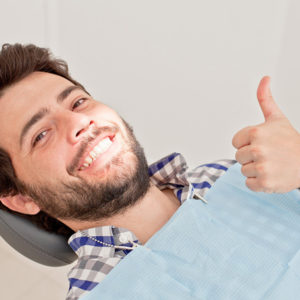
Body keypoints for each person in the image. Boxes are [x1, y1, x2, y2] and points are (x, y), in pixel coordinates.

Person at [0, 43, 300, 300]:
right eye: (40, 135)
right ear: (21, 198)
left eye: (78, 102)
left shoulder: (238, 175)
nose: (80, 123)